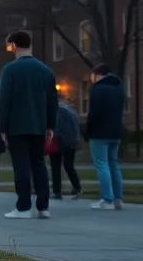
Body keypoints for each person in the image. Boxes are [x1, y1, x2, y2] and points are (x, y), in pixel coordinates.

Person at [0, 30, 57, 219]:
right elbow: (52, 101)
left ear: (14, 45)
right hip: (39, 125)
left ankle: (23, 206)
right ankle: (43, 206)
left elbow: (5, 100)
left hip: (17, 126)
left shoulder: (10, 70)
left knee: (21, 166)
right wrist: (50, 125)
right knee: (39, 165)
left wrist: (3, 127)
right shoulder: (45, 71)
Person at [86, 63, 126, 210]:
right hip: (115, 131)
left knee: (102, 164)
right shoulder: (119, 87)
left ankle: (107, 198)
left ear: (97, 74)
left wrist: (88, 130)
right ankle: (118, 198)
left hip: (100, 132)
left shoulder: (98, 89)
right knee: (113, 164)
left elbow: (94, 112)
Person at [50, 92, 83, 200]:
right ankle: (77, 187)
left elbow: (57, 127)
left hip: (60, 141)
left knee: (56, 166)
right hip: (72, 141)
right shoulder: (71, 110)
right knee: (69, 165)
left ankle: (57, 190)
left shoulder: (58, 111)